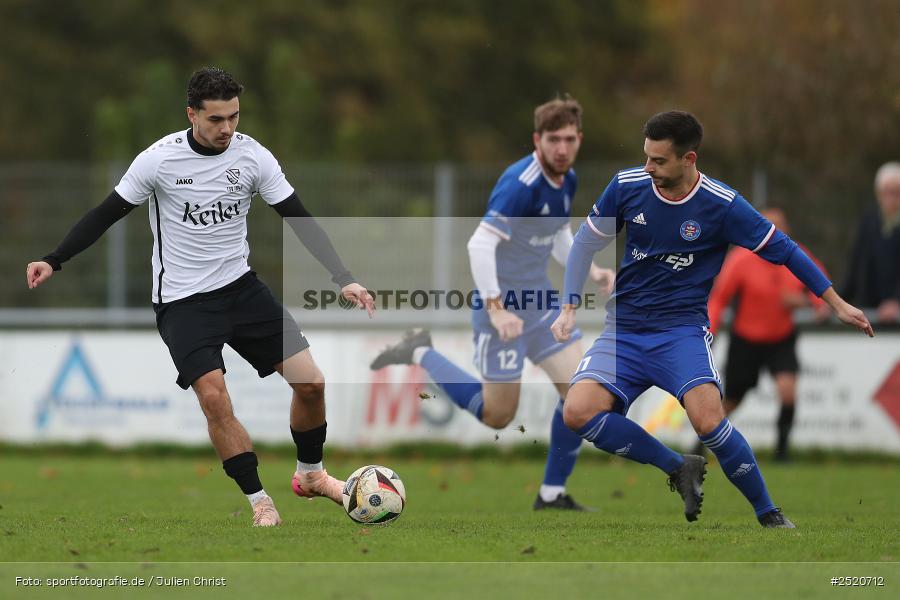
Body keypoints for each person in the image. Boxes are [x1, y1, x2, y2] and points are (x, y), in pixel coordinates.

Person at [26, 67, 375, 527]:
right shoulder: (158, 160)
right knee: (214, 398)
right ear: (192, 114)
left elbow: (297, 217)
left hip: (243, 290)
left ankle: (310, 475)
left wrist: (342, 276)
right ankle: (259, 502)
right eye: (215, 119)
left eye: (233, 117)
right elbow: (105, 213)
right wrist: (55, 258)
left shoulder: (253, 157)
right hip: (183, 302)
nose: (227, 128)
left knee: (311, 383)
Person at [552, 111, 873, 528]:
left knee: (709, 422)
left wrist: (835, 302)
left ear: (689, 159)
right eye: (645, 157)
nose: (648, 168)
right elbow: (584, 244)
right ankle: (676, 467)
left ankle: (769, 514)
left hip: (680, 332)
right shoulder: (628, 186)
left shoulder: (722, 206)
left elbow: (787, 250)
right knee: (577, 412)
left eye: (659, 161)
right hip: (625, 332)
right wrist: (568, 305)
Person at [370, 97, 614, 511]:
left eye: (569, 139)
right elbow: (479, 243)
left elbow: (557, 234)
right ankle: (421, 350)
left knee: (580, 396)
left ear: (579, 140)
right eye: (553, 139)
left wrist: (590, 271)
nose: (561, 148)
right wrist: (497, 308)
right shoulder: (519, 184)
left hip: (541, 304)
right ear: (537, 139)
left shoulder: (566, 178)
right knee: (498, 415)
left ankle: (552, 493)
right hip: (499, 311)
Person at [706, 208, 830, 462]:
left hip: (781, 338)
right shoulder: (741, 259)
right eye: (768, 227)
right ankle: (702, 442)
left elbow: (821, 286)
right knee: (732, 400)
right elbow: (718, 298)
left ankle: (781, 453)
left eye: (779, 228)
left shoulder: (797, 256)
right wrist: (711, 330)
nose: (773, 234)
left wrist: (817, 306)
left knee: (787, 392)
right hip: (746, 340)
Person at [841, 162, 900, 323]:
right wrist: (838, 301)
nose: (891, 199)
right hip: (870, 308)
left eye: (896, 193)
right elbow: (856, 262)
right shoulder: (870, 219)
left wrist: (896, 301)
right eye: (886, 192)